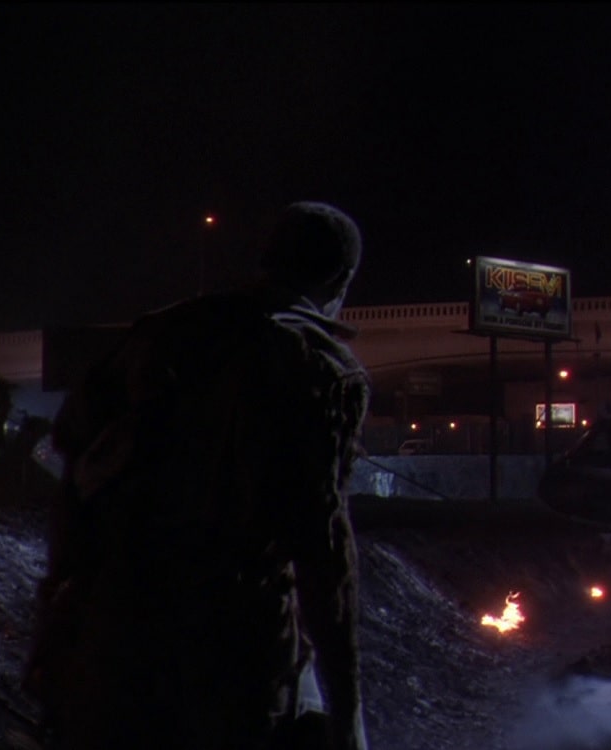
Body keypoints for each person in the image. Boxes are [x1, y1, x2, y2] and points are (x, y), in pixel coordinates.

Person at [25, 201, 371, 750]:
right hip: (232, 659)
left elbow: (74, 471)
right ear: (340, 279)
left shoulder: (158, 333)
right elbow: (323, 548)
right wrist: (348, 714)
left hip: (115, 641)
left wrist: (54, 625)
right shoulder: (320, 366)